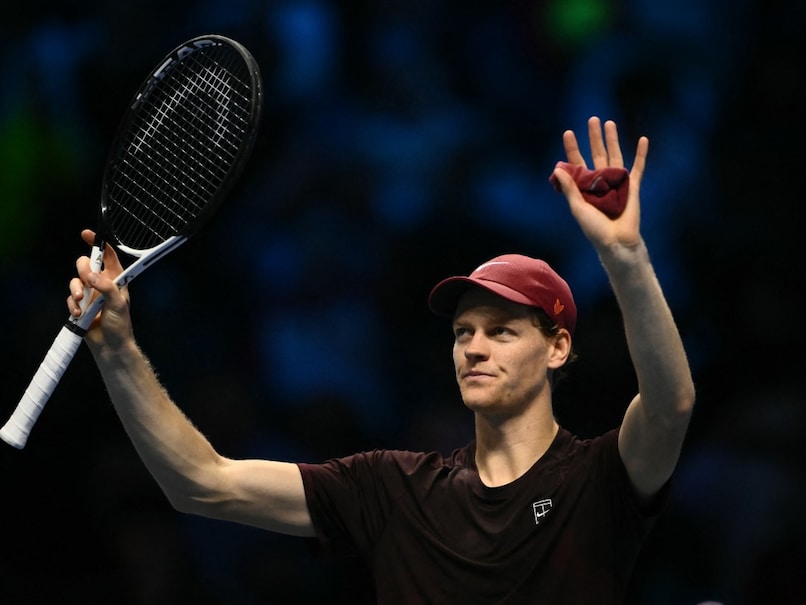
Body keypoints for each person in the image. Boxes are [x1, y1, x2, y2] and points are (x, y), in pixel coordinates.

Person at [67, 116, 695, 604]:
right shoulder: (392, 489)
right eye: (463, 332)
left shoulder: (597, 479)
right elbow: (202, 482)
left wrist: (626, 255)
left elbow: (671, 406)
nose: (473, 346)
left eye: (501, 332)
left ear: (557, 347)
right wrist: (118, 348)